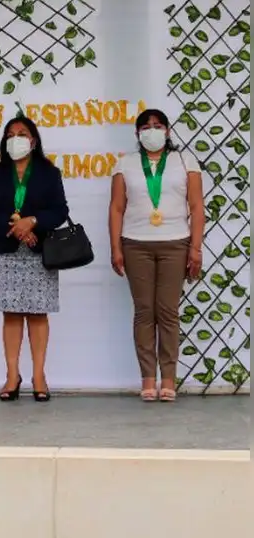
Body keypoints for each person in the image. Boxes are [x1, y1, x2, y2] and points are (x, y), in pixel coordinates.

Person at [109, 108, 203, 403]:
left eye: (158, 125)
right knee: (144, 312)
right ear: (137, 133)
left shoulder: (185, 161)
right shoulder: (125, 163)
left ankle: (169, 379)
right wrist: (116, 248)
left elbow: (197, 207)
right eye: (146, 126)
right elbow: (116, 208)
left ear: (168, 131)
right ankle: (148, 378)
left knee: (168, 312)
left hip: (176, 242)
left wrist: (196, 247)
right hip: (136, 244)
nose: (153, 131)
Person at [0, 115, 69, 402]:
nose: (16, 138)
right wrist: (16, 230)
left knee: (38, 313)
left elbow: (60, 210)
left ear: (34, 140)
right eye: (10, 134)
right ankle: (12, 375)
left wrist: (33, 222)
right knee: (12, 313)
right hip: (7, 250)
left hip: (40, 251)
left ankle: (39, 375)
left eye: (22, 133)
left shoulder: (48, 172)